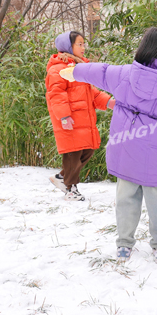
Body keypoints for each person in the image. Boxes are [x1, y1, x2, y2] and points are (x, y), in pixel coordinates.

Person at [59, 27, 157, 264]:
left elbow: (100, 72)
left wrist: (75, 71)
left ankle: (124, 244)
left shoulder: (125, 74)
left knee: (126, 199)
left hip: (125, 151)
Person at [45, 31, 114, 201]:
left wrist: (108, 102)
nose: (83, 47)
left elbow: (91, 92)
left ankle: (61, 177)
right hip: (69, 120)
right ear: (68, 47)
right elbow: (56, 94)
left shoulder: (79, 68)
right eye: (79, 44)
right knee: (73, 154)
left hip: (83, 120)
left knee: (88, 149)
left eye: (84, 44)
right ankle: (71, 190)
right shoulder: (58, 69)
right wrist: (64, 116)